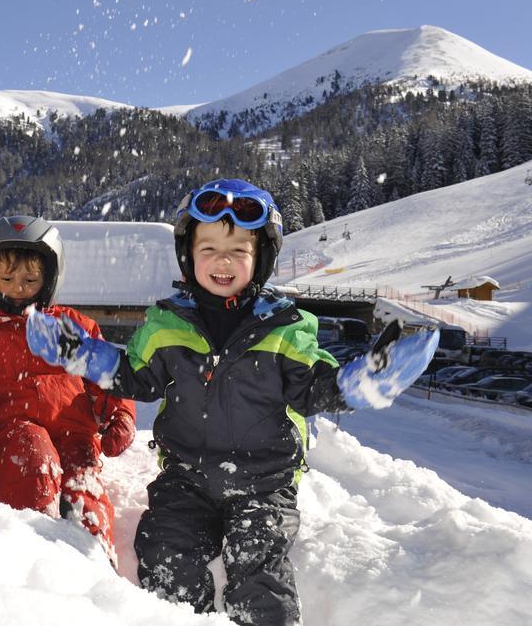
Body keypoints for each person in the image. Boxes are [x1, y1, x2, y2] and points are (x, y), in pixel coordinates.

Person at [26, 179, 438, 625]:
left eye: (239, 250)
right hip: (186, 477)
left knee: (259, 567)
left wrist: (357, 383)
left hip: (265, 481)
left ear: (260, 259)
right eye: (209, 249)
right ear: (188, 257)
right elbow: (137, 378)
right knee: (166, 551)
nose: (223, 260)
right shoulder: (166, 323)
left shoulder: (287, 328)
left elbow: (311, 387)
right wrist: (84, 354)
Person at [0, 216, 136, 564]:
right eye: (7, 279)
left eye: (29, 279)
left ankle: (93, 560)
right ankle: (30, 551)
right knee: (32, 459)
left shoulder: (73, 326)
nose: (18, 288)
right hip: (18, 428)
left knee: (84, 481)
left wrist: (120, 413)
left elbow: (106, 374)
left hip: (77, 432)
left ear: (48, 279)